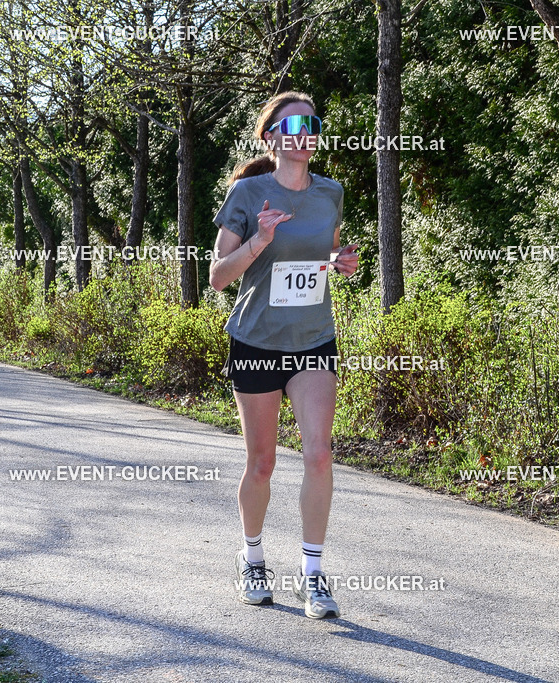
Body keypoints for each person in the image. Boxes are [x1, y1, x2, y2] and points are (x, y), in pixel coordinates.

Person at [209, 91, 359, 619]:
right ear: (272, 136)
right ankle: (252, 559)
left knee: (319, 453)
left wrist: (341, 262)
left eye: (314, 121)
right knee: (264, 462)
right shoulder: (249, 194)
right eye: (294, 122)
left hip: (314, 338)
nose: (306, 130)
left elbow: (326, 253)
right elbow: (217, 277)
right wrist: (259, 241)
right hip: (255, 341)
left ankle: (313, 576)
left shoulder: (330, 193)